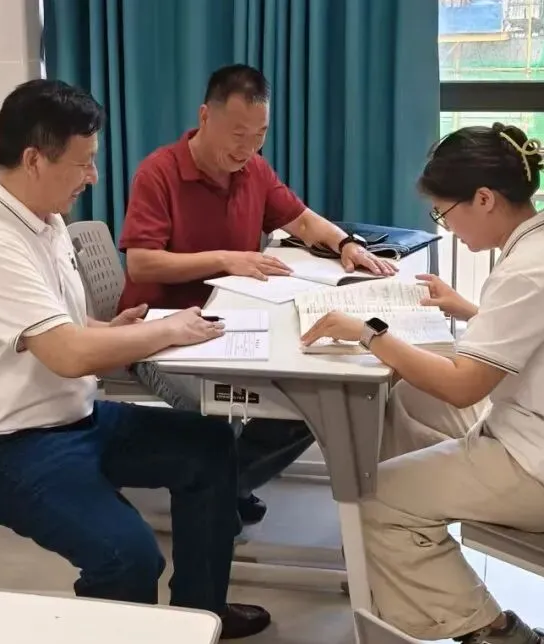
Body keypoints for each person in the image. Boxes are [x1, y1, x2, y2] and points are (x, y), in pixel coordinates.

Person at [0, 78, 272, 639]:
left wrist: (110, 331)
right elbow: (66, 353)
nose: (93, 175)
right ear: (34, 160)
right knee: (128, 556)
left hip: (72, 418)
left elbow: (60, 326)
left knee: (209, 445)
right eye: (83, 162)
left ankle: (199, 616)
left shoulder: (43, 218)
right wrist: (168, 330)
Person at [300, 123, 544, 644]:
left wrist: (370, 333)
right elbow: (543, 339)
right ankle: (398, 553)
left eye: (444, 211)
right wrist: (467, 309)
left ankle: (495, 631)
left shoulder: (529, 270)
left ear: (484, 198)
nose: (447, 226)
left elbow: (463, 388)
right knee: (406, 393)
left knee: (371, 498)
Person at [118, 64, 395, 524]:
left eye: (260, 134)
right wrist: (225, 258)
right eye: (238, 135)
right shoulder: (159, 172)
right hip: (160, 336)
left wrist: (347, 244)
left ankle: (224, 487)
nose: (247, 148)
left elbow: (301, 219)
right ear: (205, 116)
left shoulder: (253, 170)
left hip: (230, 325)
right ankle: (216, 492)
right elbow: (141, 262)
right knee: (226, 410)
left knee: (313, 401)